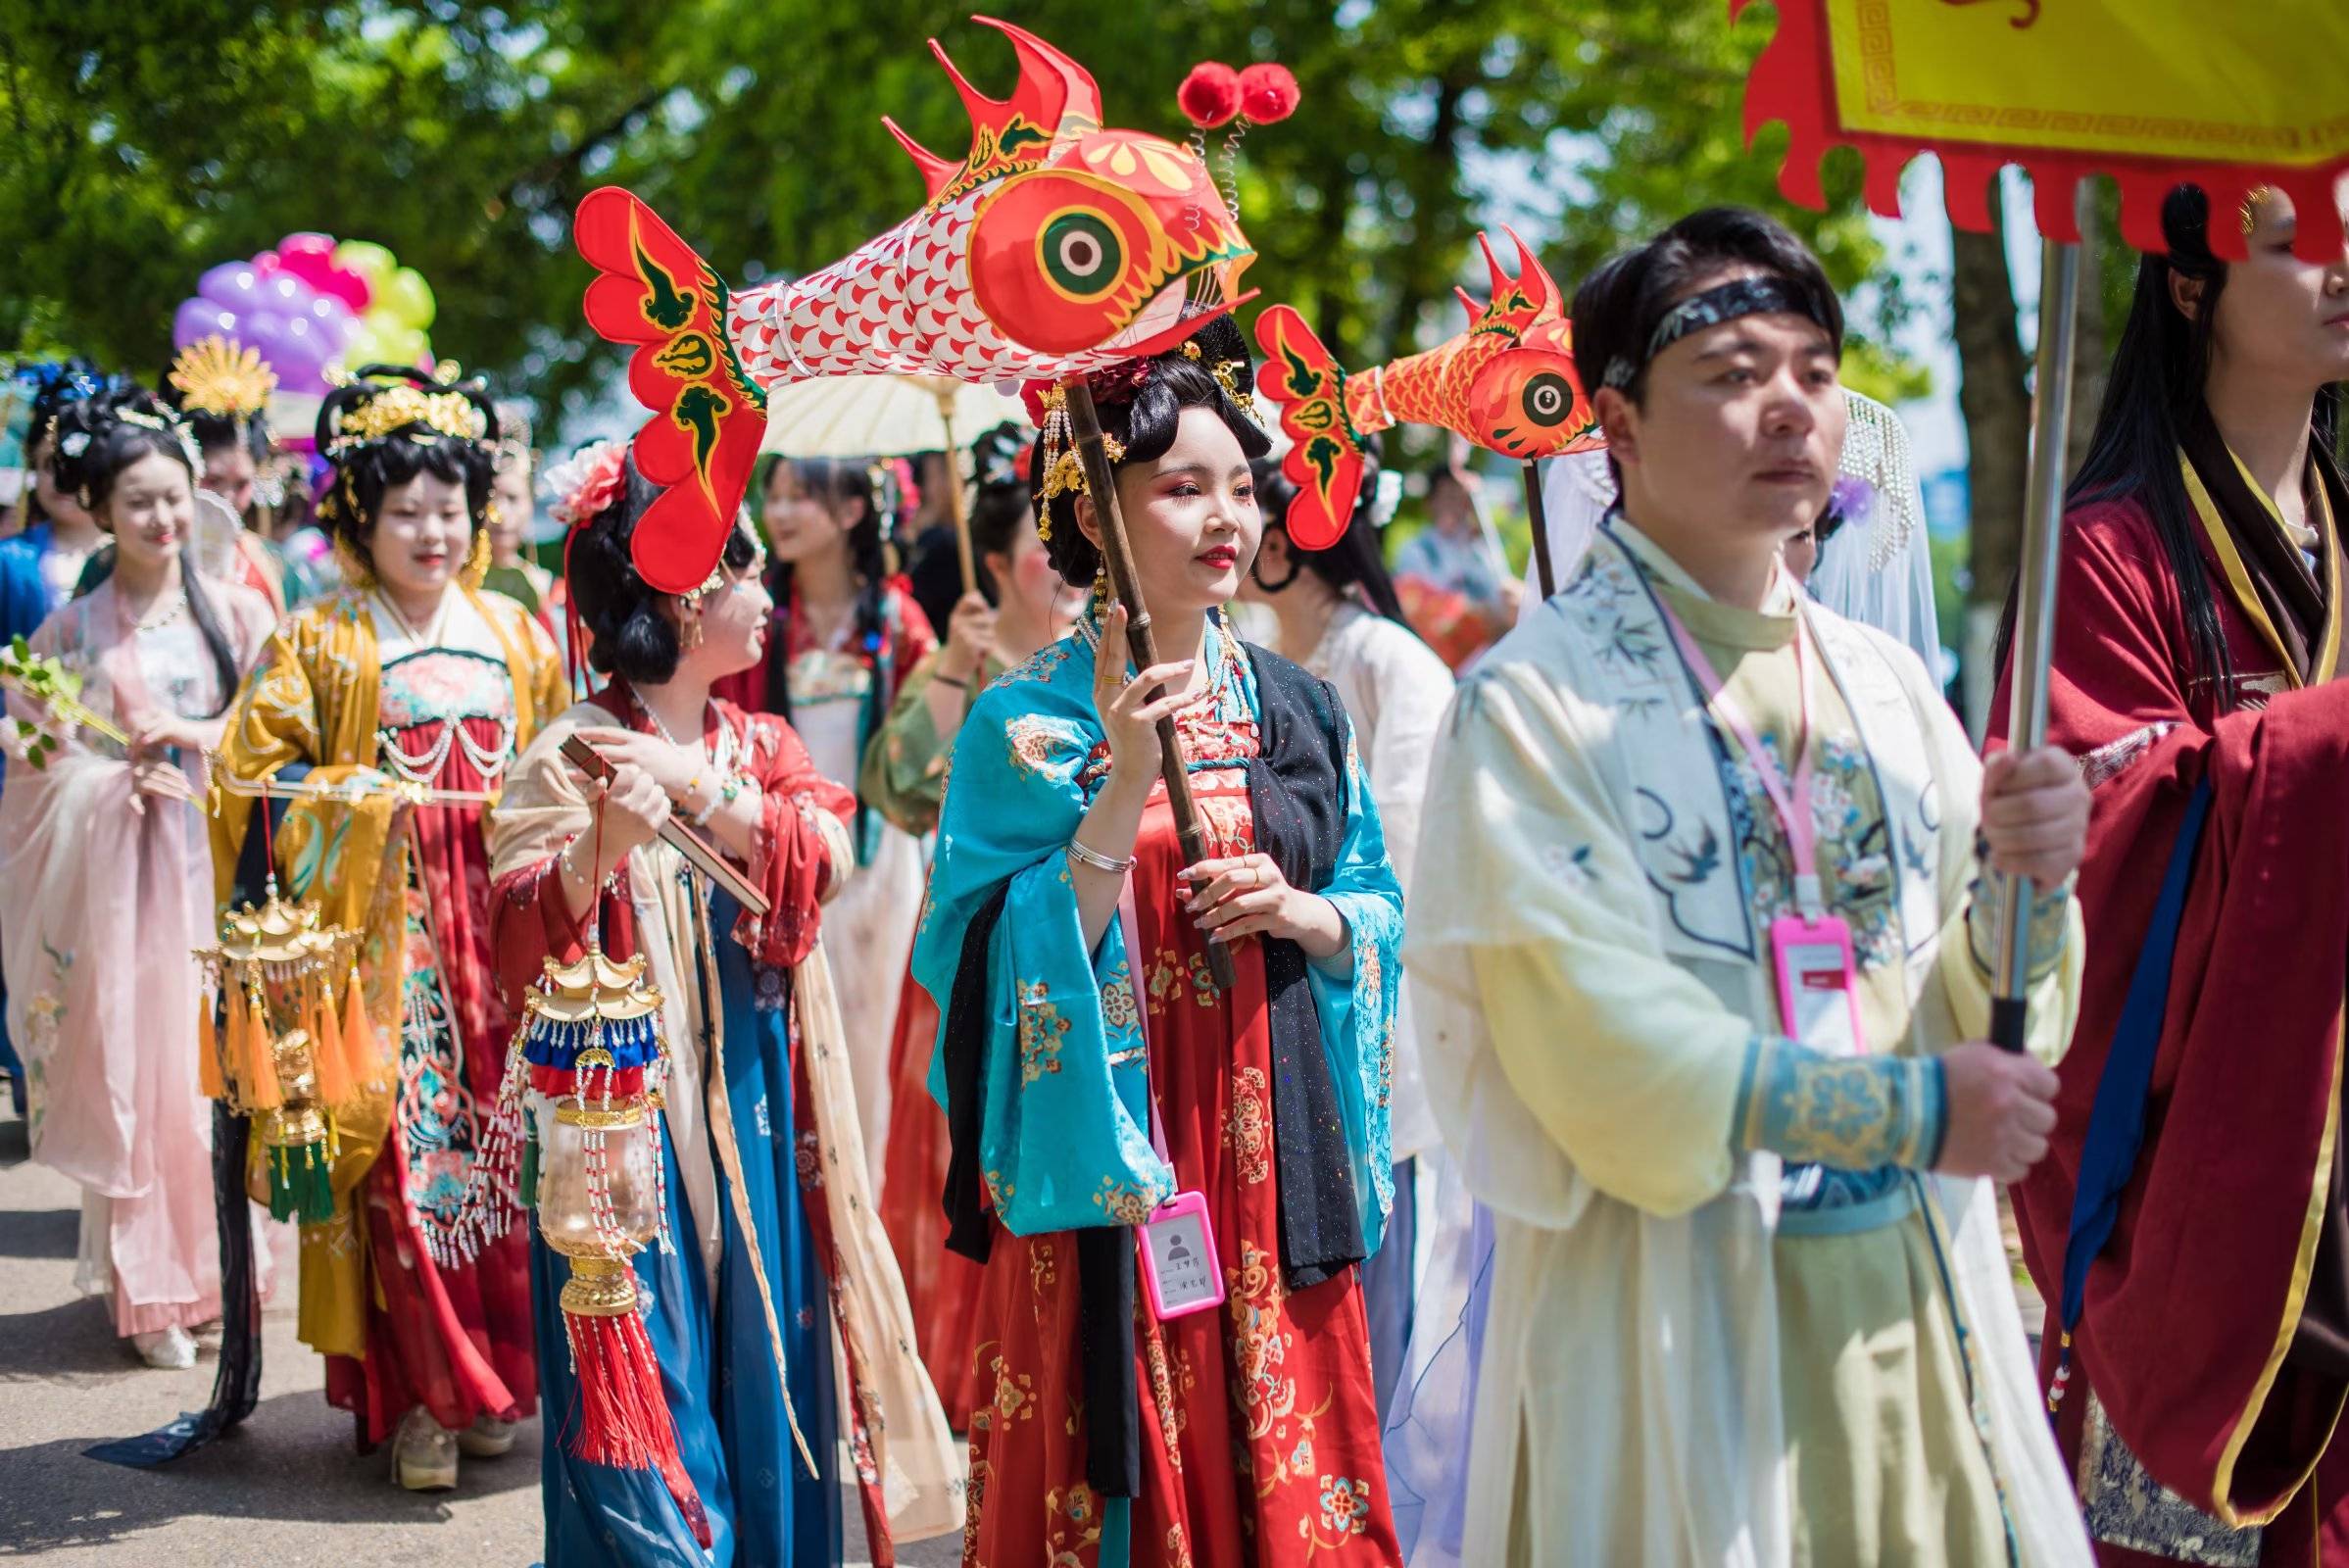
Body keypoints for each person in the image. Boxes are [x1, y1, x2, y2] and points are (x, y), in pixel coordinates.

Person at [1406, 207, 2097, 1565]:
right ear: (1615, 425)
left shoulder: (1891, 687)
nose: (1787, 408)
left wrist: (2032, 879)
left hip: (1905, 1295)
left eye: (1813, 372)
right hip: (1674, 1322)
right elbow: (1594, 1046)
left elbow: (1983, 994)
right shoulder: (1534, 703)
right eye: (1730, 376)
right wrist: (1907, 1107)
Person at [915, 317, 1407, 1566]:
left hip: (1268, 1127)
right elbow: (977, 973)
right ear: (1100, 514)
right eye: (1181, 488)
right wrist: (1124, 777)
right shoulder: (1022, 728)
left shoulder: (1298, 708)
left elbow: (1378, 906)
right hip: (1115, 1140)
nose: (1224, 517)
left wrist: (1304, 914)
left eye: (1241, 485)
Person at [488, 443, 960, 1565]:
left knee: (765, 1357)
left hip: (755, 1097)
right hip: (625, 1120)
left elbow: (825, 848)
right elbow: (511, 934)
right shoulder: (570, 753)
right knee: (644, 1382)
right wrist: (599, 847)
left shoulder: (758, 744)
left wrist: (701, 790)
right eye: (743, 567)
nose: (764, 592)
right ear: (684, 593)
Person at [1989, 179, 2349, 1563]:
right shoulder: (2109, 555)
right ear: (2189, 284)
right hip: (2227, 1185)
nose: (2337, 265)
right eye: (2291, 241)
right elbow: (2109, 841)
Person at [211, 363, 563, 1491]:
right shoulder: (320, 643)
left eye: (448, 509)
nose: (431, 531)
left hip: (502, 937)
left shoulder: (518, 632)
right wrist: (341, 797)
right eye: (404, 510)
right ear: (359, 518)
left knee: (509, 1157)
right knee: (404, 1163)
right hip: (385, 941)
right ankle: (421, 1398)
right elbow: (245, 780)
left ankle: (494, 1382)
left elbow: (559, 765)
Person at [0, 389, 278, 1368]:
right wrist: (115, 775)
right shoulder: (73, 632)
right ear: (101, 509)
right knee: (146, 1075)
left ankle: (224, 1273)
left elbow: (282, 734)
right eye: (136, 503)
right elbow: (38, 768)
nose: (160, 520)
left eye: (173, 498)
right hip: (133, 893)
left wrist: (200, 738)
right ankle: (152, 1287)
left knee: (227, 1076)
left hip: (228, 876)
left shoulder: (243, 610)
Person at [863, 425, 1075, 1428]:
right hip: (970, 944)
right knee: (967, 1142)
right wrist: (953, 665)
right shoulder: (971, 671)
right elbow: (898, 788)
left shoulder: (1117, 656)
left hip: (1080, 942)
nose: (1065, 553)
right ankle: (963, 1359)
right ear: (995, 562)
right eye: (1041, 536)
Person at [1239, 451, 1454, 1421]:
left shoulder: (1386, 663)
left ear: (1281, 545)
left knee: (1387, 1275)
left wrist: (1311, 911)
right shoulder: (1252, 663)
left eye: (1242, 504)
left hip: (1374, 1002)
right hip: (1277, 994)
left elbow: (1407, 854)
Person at [716, 455, 937, 1189]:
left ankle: (867, 1191)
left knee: (873, 1029)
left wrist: (956, 661)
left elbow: (923, 750)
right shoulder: (758, 619)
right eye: (774, 498)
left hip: (879, 857)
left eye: (799, 498)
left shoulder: (897, 621)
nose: (778, 514)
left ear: (851, 513)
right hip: (781, 853)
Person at [1391, 462, 1520, 667]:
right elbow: (1418, 607)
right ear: (1430, 503)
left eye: (1461, 499)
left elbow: (1501, 602)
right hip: (1435, 660)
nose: (1454, 506)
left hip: (1484, 658)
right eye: (1446, 497)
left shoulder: (1484, 550)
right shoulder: (1416, 551)